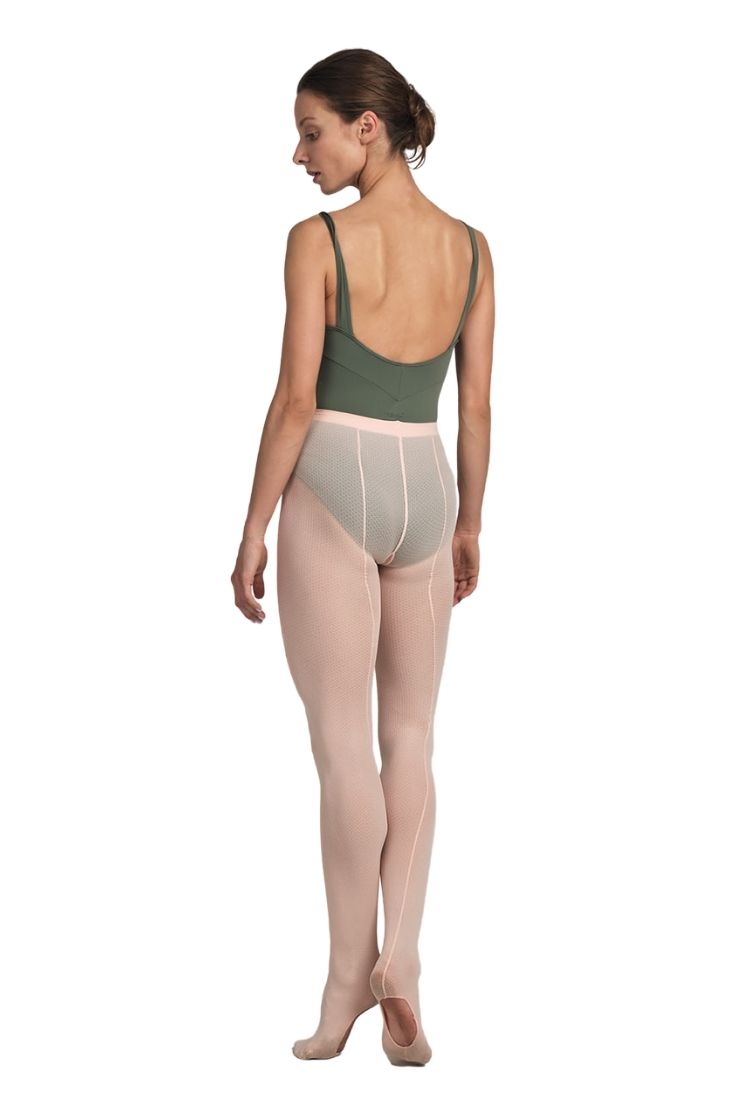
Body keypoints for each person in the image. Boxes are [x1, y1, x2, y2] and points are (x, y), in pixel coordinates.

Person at [231, 48, 494, 1065]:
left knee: (343, 746)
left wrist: (253, 525)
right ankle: (405, 966)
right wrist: (470, 522)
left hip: (336, 478)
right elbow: (475, 406)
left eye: (312, 132)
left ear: (366, 127)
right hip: (427, 481)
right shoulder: (472, 250)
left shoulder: (317, 242)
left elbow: (296, 398)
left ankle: (349, 975)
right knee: (413, 738)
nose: (300, 155)